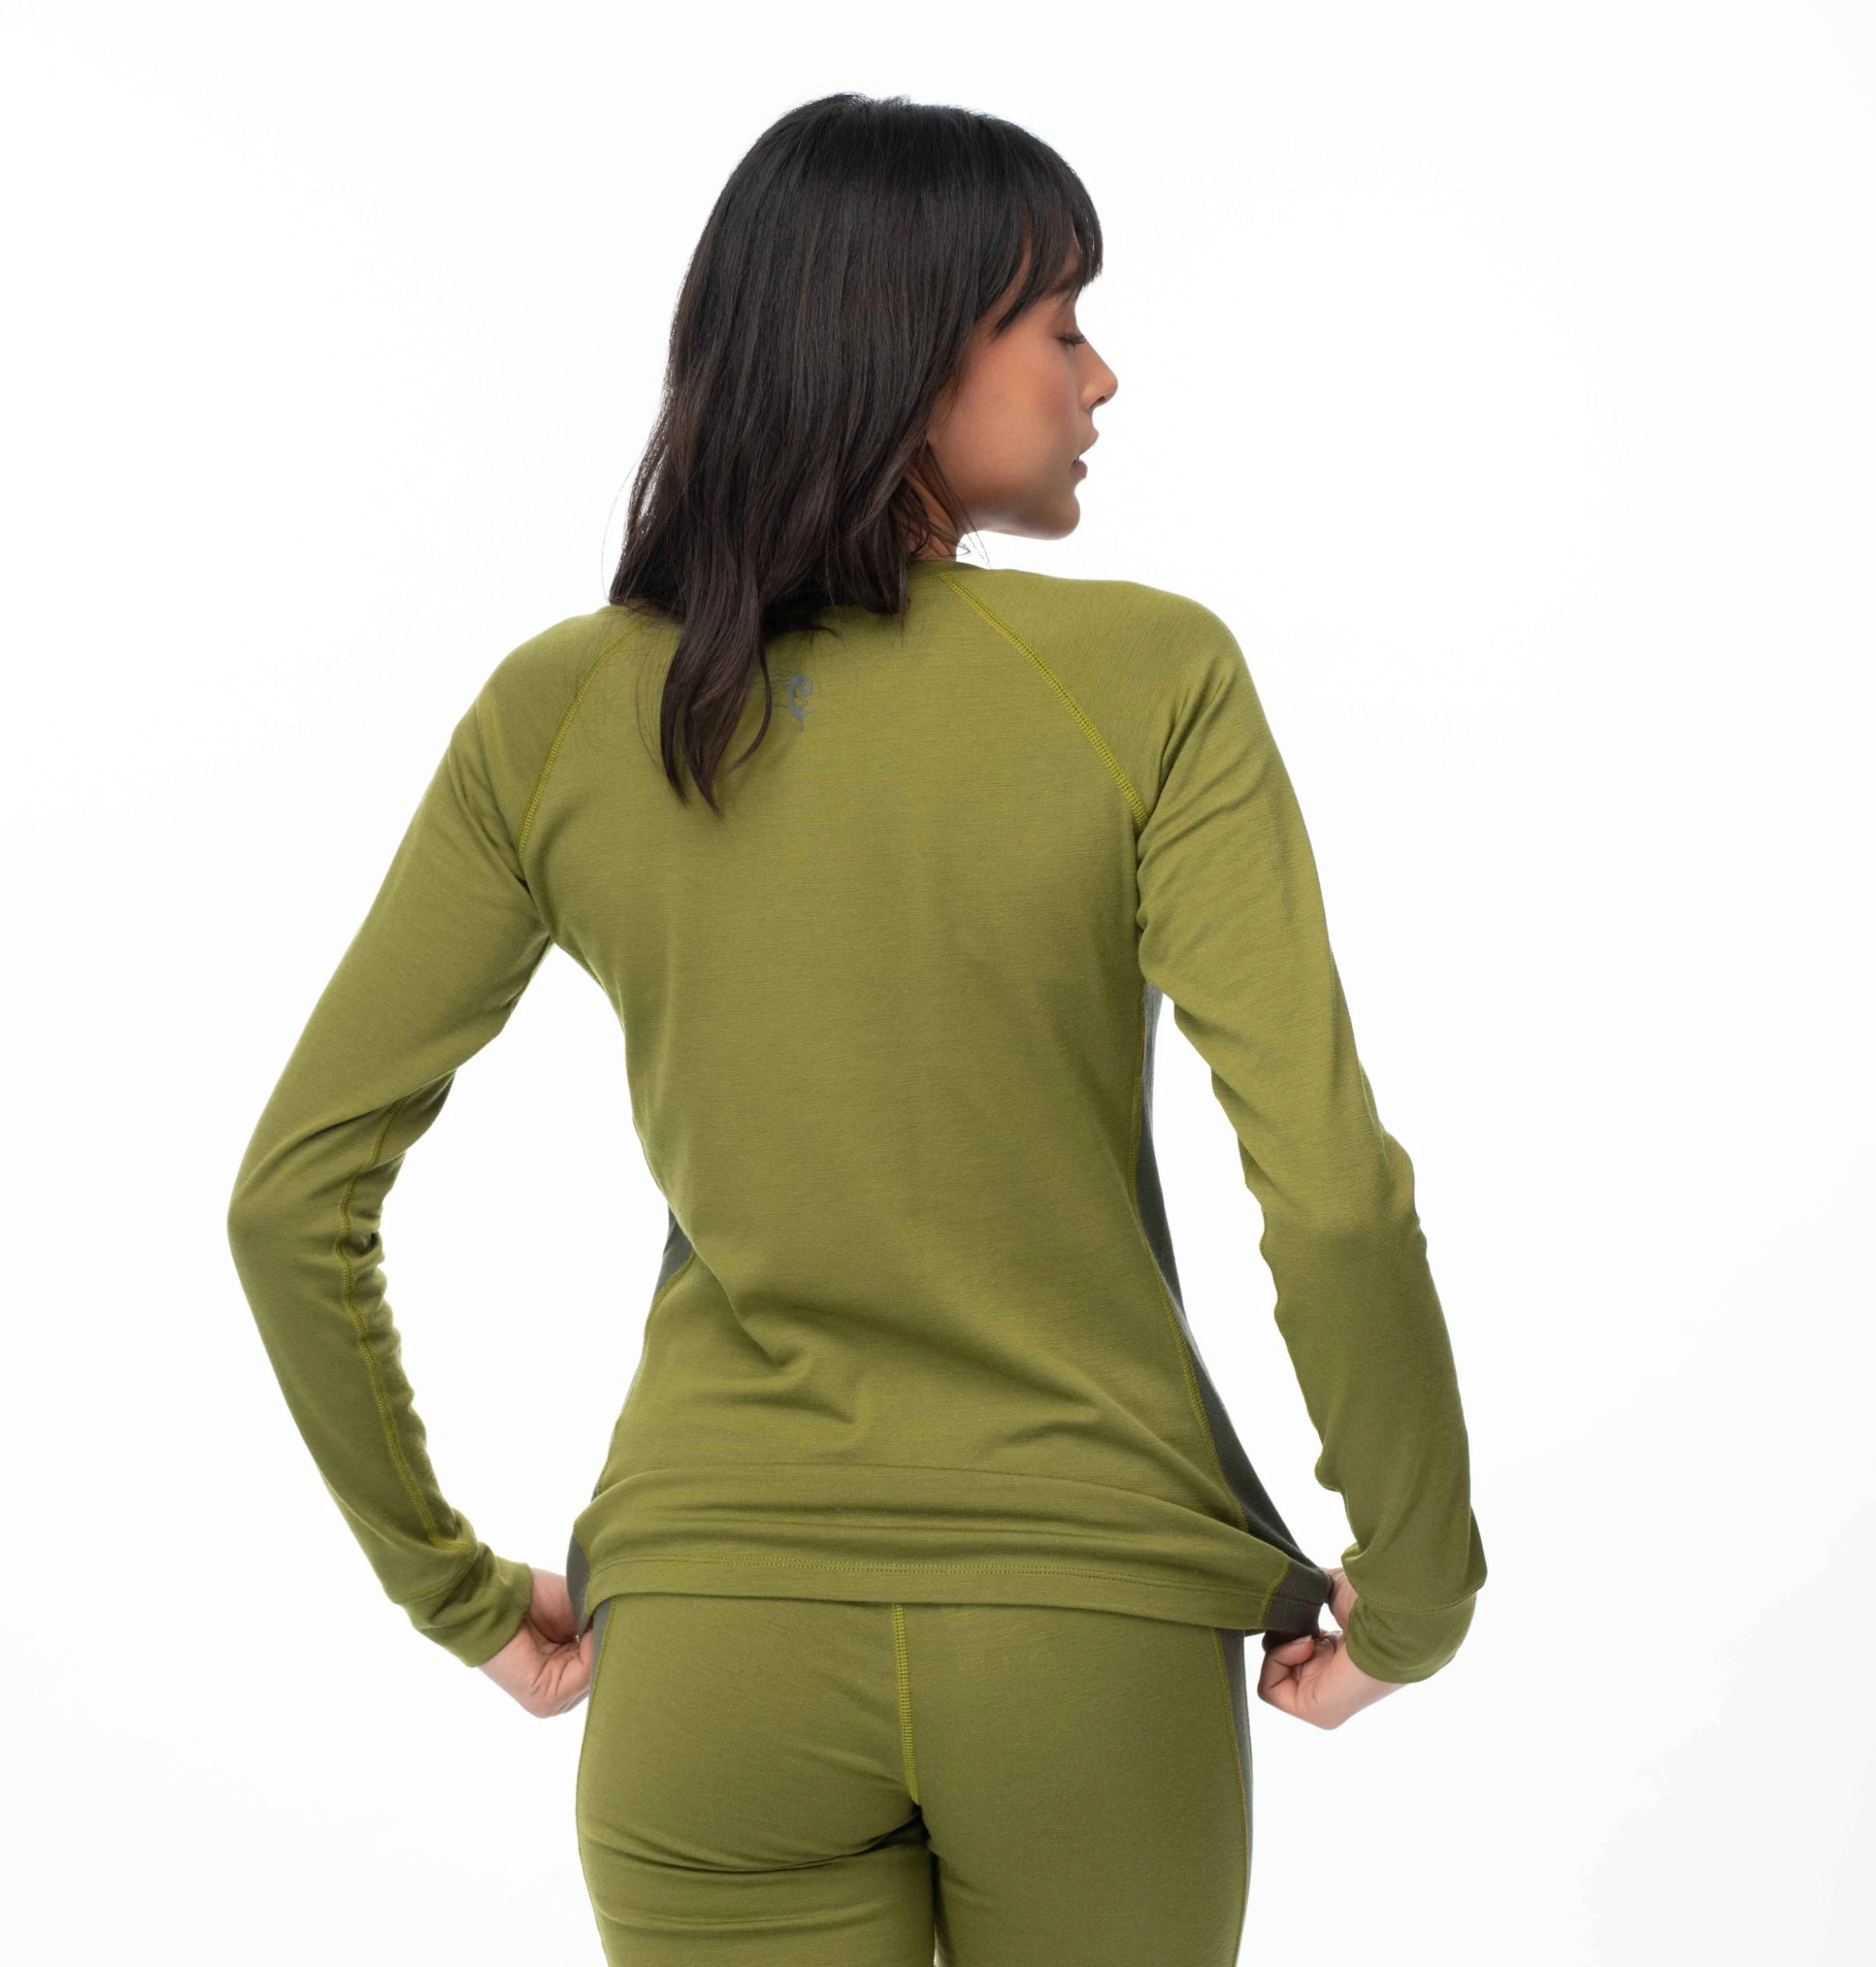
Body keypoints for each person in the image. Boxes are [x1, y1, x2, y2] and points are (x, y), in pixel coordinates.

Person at [227, 90, 1486, 1967]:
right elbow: (1326, 1193)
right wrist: (1417, 1581)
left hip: (707, 1652)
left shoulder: (562, 712)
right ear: (911, 351)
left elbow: (289, 1196)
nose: (1098, 376)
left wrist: (457, 1593)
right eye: (1056, 324)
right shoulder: (1149, 677)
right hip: (1083, 1634)